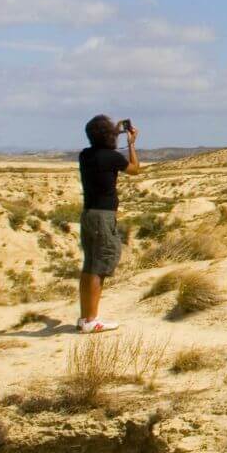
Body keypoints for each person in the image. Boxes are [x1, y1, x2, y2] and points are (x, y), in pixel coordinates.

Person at [77, 114, 140, 332]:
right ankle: (92, 320)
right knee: (101, 266)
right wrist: (131, 144)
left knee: (89, 265)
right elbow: (134, 169)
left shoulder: (85, 155)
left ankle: (85, 317)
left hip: (88, 214)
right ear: (109, 136)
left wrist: (114, 131)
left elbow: (102, 144)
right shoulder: (111, 157)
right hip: (103, 216)